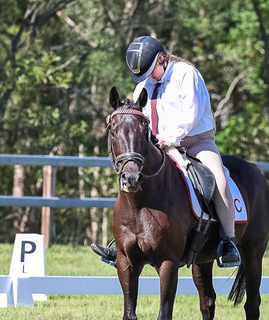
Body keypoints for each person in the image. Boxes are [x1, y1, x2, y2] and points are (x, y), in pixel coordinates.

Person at [91, 35, 241, 267]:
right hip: (159, 144)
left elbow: (191, 114)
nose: (148, 77)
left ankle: (227, 241)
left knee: (219, 181)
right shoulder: (144, 84)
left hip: (195, 141)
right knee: (134, 175)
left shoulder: (186, 74)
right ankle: (123, 242)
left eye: (151, 71)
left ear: (162, 59)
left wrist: (169, 138)